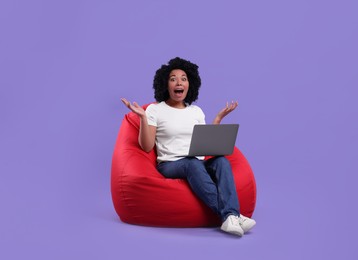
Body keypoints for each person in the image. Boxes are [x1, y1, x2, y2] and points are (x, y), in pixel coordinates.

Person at [121, 57, 256, 236]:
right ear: (165, 84)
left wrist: (217, 120)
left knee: (222, 162)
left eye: (184, 78)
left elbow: (205, 144)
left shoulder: (196, 111)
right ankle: (233, 215)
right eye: (173, 78)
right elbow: (146, 147)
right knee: (191, 163)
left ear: (190, 84)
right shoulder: (155, 110)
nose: (179, 82)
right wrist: (143, 118)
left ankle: (231, 217)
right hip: (171, 164)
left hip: (197, 162)